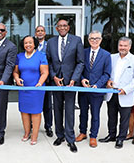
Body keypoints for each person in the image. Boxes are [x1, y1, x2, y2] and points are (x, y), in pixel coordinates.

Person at [46, 19, 84, 153]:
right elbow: (48, 62)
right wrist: (53, 77)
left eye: (64, 26)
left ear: (68, 28)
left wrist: (74, 79)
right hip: (56, 82)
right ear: (56, 28)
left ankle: (70, 139)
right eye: (59, 26)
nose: (62, 28)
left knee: (69, 110)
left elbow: (80, 62)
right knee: (57, 109)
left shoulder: (76, 40)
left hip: (70, 83)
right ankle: (59, 135)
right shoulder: (50, 42)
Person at [100, 37, 134, 149]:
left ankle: (120, 138)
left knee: (124, 118)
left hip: (125, 94)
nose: (122, 48)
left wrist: (126, 89)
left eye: (125, 46)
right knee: (111, 116)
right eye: (120, 45)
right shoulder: (111, 57)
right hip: (111, 92)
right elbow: (107, 72)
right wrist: (108, 81)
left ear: (129, 47)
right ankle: (112, 135)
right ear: (118, 46)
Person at [75, 31, 111, 148]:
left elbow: (106, 73)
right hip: (84, 89)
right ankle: (82, 132)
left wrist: (98, 84)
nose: (94, 40)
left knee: (95, 114)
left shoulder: (106, 55)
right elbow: (78, 68)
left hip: (97, 90)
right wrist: (81, 79)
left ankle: (93, 136)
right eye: (92, 38)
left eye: (97, 38)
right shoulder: (83, 52)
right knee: (83, 113)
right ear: (88, 40)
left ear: (101, 40)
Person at [13, 36, 49, 145]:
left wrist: (40, 83)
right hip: (24, 89)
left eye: (30, 42)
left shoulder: (41, 55)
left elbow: (45, 72)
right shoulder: (19, 56)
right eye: (25, 43)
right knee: (24, 111)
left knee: (35, 112)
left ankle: (35, 135)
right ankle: (27, 132)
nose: (28, 45)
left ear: (35, 44)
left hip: (37, 89)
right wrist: (17, 79)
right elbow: (16, 72)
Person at [35, 25, 53, 137]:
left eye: (42, 31)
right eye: (38, 31)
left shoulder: (49, 45)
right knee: (34, 103)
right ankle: (32, 125)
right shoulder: (31, 44)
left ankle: (48, 126)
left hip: (46, 79)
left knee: (47, 105)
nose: (40, 33)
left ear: (45, 33)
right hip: (33, 79)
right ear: (35, 33)